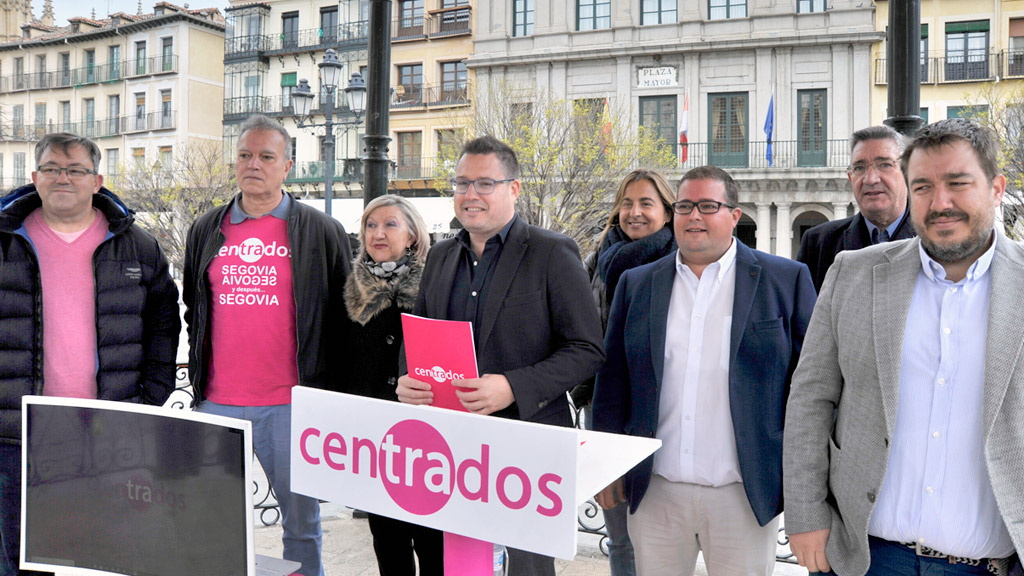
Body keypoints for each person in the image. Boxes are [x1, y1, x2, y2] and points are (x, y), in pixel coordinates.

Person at [783, 118, 1024, 576]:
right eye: (923, 187)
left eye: (958, 183)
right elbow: (810, 399)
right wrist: (806, 512)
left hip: (989, 565)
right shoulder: (853, 273)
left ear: (996, 188)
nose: (940, 203)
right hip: (868, 557)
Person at [395, 135, 605, 575]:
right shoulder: (439, 257)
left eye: (484, 184)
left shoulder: (552, 252)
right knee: (455, 562)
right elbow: (421, 336)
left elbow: (587, 350)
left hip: (527, 448)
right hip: (449, 449)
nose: (470, 195)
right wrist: (407, 380)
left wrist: (513, 386)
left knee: (526, 568)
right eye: (461, 183)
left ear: (514, 188)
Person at [592, 165, 816, 576]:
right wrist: (606, 466)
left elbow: (811, 389)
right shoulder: (636, 284)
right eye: (685, 206)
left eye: (708, 206)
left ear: (734, 215)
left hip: (743, 495)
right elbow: (613, 383)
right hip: (656, 491)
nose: (694, 216)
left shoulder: (786, 280)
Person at [0, 133, 180, 576]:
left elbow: (164, 324)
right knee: (18, 557)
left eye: (76, 170)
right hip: (16, 435)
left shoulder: (138, 246)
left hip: (110, 430)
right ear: (34, 177)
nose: (64, 178)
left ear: (97, 180)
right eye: (52, 169)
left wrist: (150, 398)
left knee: (106, 555)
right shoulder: (4, 242)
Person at [182, 114, 351, 576]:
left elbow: (344, 314)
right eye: (244, 155)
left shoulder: (320, 230)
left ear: (288, 165)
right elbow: (193, 307)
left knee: (300, 523)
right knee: (212, 519)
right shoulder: (205, 229)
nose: (253, 164)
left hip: (290, 406)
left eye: (266, 157)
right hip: (217, 403)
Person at [571, 169, 677, 576]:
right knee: (620, 532)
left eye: (646, 203)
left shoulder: (681, 260)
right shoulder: (597, 260)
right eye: (627, 203)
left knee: (667, 530)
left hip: (664, 408)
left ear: (667, 212)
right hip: (605, 405)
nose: (634, 212)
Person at [342, 194, 442, 576]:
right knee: (388, 542)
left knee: (434, 543)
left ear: (413, 235)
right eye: (370, 225)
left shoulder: (436, 283)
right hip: (374, 437)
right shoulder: (349, 287)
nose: (377, 233)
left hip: (429, 439)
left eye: (389, 224)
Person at [797, 125, 915, 291]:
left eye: (885, 164)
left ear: (907, 172)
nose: (871, 179)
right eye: (859, 167)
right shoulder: (819, 244)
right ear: (850, 178)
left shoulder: (931, 242)